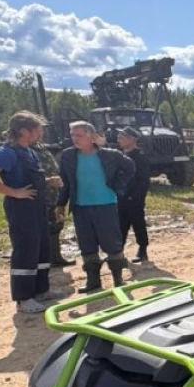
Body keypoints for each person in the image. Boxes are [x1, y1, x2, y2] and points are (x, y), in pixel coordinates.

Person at [0, 111, 62, 314]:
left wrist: (48, 182)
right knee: (25, 250)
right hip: (21, 208)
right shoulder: (7, 152)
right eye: (37, 129)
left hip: (37, 206)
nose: (41, 132)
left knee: (41, 247)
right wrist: (13, 192)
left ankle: (41, 290)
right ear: (24, 131)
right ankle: (24, 298)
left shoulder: (28, 151)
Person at [55, 121, 136, 293]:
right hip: (80, 207)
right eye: (73, 135)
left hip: (105, 205)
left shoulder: (110, 155)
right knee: (87, 245)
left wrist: (118, 186)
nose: (75, 139)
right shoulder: (68, 156)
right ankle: (93, 281)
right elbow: (66, 182)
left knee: (112, 243)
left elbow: (130, 167)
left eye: (79, 135)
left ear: (91, 136)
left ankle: (118, 279)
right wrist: (61, 204)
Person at [31, 139, 75, 267]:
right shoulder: (25, 149)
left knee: (55, 225)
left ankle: (55, 257)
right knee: (43, 227)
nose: (42, 132)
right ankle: (46, 258)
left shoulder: (40, 146)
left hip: (53, 194)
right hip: (40, 195)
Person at [115, 126, 152, 262]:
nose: (118, 140)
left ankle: (142, 250)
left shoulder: (140, 157)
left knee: (138, 223)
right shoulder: (120, 156)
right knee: (120, 225)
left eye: (122, 137)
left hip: (134, 197)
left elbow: (143, 180)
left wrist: (136, 197)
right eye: (118, 137)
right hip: (120, 196)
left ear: (132, 139)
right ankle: (118, 252)